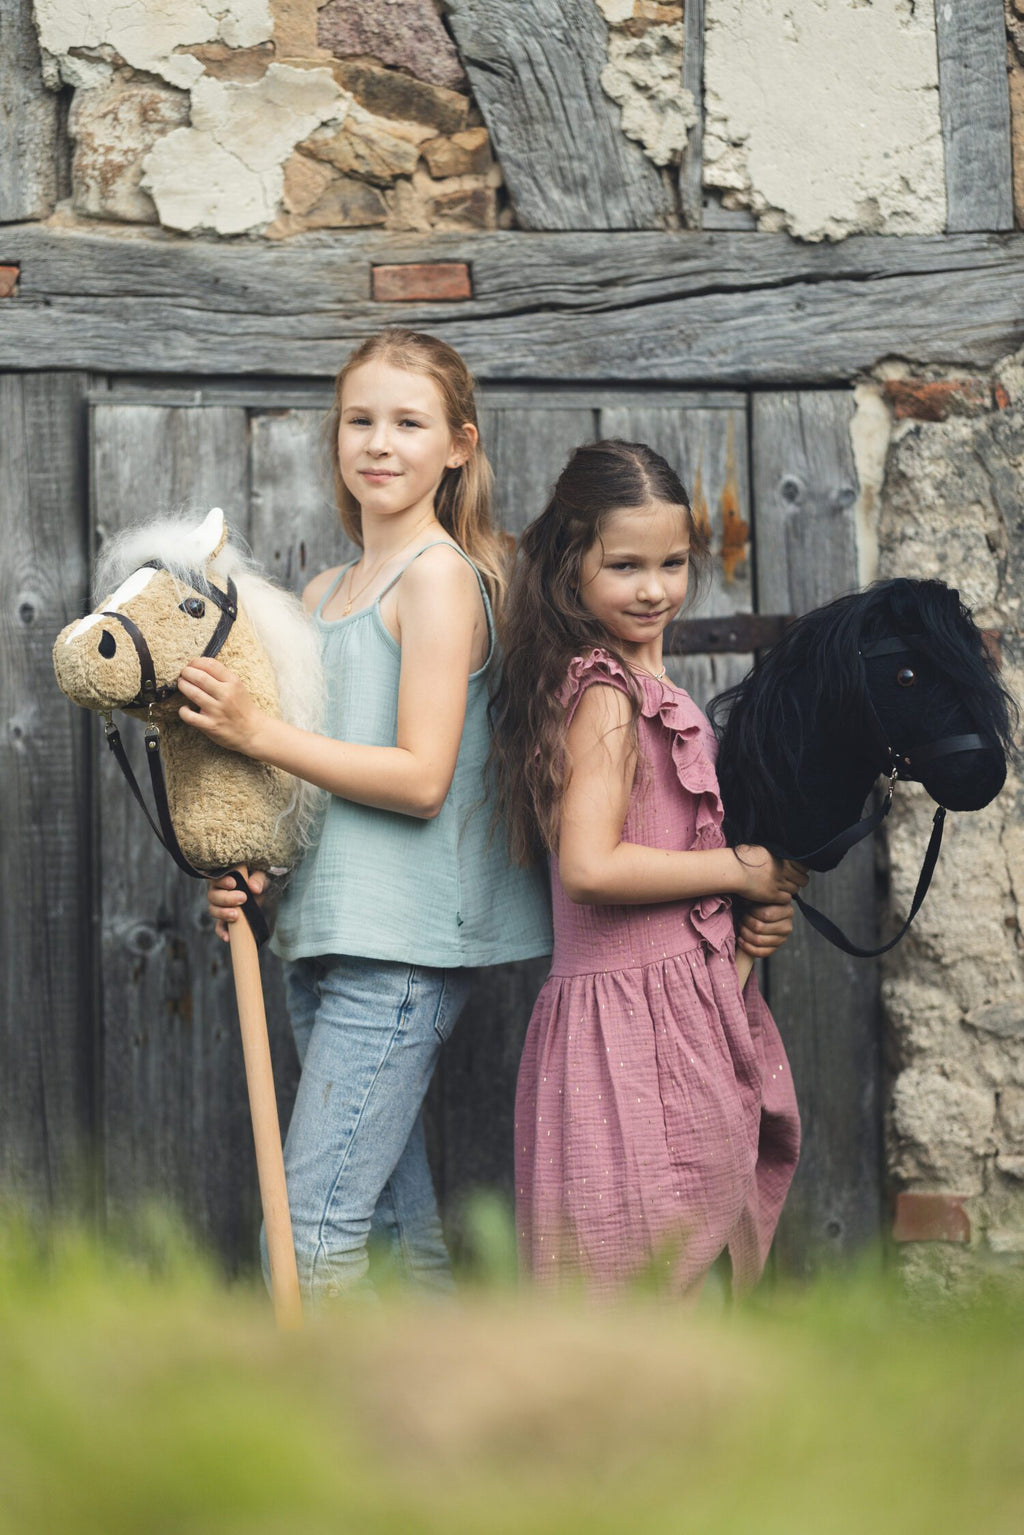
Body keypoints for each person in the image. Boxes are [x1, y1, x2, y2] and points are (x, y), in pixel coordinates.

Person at [178, 329, 551, 1301]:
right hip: (325, 928)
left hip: (404, 943)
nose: (379, 442)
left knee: (308, 1234)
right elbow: (321, 778)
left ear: (458, 444)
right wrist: (265, 861)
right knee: (387, 1220)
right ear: (335, 436)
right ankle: (430, 1427)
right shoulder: (324, 591)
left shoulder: (436, 576)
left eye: (408, 422)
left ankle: (328, 1430)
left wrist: (255, 728)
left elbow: (419, 776)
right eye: (360, 420)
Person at [489, 439, 807, 1297]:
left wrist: (746, 930)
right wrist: (738, 872)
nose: (654, 588)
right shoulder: (605, 695)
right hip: (623, 1024)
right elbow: (590, 866)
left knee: (683, 1263)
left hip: (675, 1004)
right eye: (624, 564)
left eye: (672, 563)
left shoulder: (647, 687)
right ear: (571, 566)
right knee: (641, 1273)